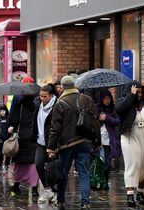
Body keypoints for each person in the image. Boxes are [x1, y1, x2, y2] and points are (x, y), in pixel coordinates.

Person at [47, 75, 100, 210]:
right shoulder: (87, 99)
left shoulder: (60, 103)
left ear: (63, 87)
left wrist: (51, 147)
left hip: (67, 144)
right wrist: (96, 141)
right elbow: (95, 122)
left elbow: (55, 128)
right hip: (85, 141)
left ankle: (60, 200)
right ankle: (85, 202)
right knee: (84, 173)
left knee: (63, 174)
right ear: (75, 85)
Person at [8, 77, 40, 197]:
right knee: (33, 162)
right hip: (34, 134)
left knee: (19, 161)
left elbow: (13, 117)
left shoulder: (18, 98)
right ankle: (35, 188)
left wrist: (11, 126)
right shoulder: (38, 99)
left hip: (21, 134)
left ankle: (16, 186)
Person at [32, 85, 57, 204]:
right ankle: (47, 189)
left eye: (44, 96)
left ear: (51, 95)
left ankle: (56, 191)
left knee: (53, 169)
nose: (42, 98)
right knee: (38, 164)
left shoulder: (57, 106)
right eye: (40, 96)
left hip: (52, 143)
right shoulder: (38, 104)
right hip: (40, 141)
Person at [96, 89, 121, 189]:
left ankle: (105, 181)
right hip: (98, 141)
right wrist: (99, 118)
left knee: (107, 163)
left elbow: (117, 121)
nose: (107, 100)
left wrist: (107, 118)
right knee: (99, 162)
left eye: (108, 99)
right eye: (105, 99)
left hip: (109, 141)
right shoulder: (97, 108)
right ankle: (99, 182)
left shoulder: (113, 109)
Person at [0, 103, 11, 175]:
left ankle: (6, 165)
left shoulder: (8, 118)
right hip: (0, 139)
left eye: (4, 110)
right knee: (1, 152)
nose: (2, 112)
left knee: (8, 153)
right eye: (1, 111)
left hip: (8, 138)